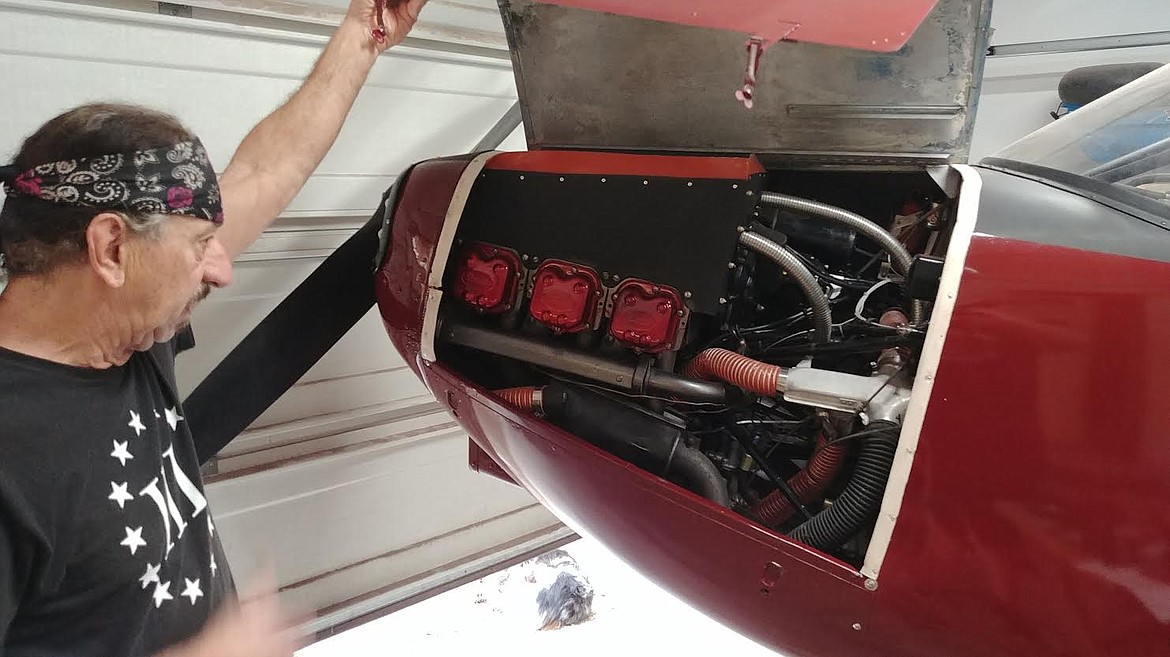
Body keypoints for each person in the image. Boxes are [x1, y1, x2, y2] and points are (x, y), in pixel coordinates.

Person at [0, 0, 427, 655]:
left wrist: (363, 34)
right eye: (200, 243)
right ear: (111, 249)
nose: (222, 268)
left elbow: (264, 172)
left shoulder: (122, 325)